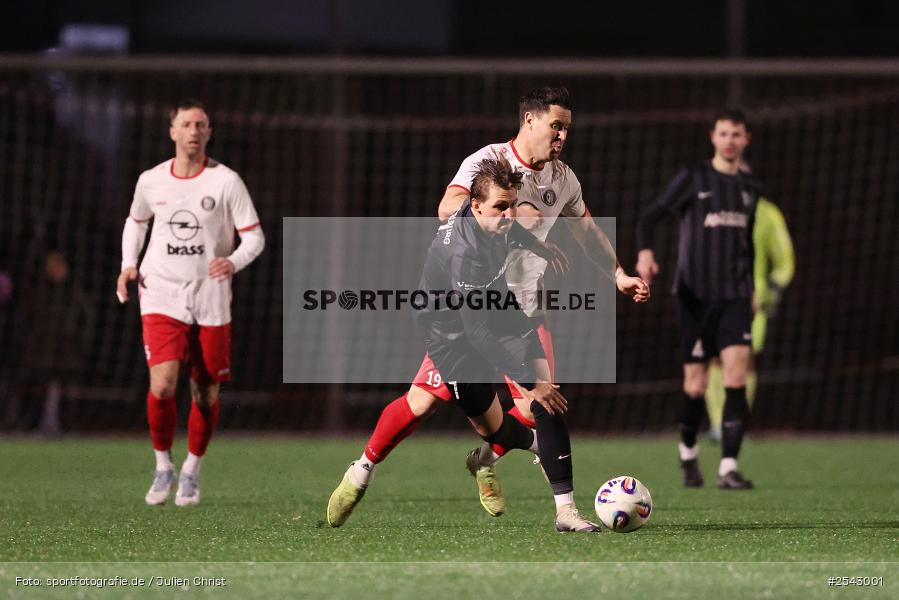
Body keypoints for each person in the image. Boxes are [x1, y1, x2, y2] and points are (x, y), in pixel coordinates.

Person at [327, 87, 649, 528]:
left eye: (567, 129)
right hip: (469, 308)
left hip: (526, 308)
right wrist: (508, 219)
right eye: (556, 126)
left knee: (541, 403)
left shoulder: (563, 179)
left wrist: (618, 275)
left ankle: (548, 501)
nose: (562, 137)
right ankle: (361, 470)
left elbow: (587, 231)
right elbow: (448, 208)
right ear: (530, 121)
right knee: (422, 402)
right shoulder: (488, 161)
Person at [117, 99, 265, 506]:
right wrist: (129, 264)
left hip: (211, 298)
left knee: (205, 393)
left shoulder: (226, 182)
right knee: (163, 384)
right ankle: (163, 464)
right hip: (161, 292)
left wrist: (232, 261)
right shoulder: (151, 181)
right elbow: (136, 222)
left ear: (209, 132)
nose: (194, 131)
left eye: (201, 124)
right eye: (187, 124)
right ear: (173, 132)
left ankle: (191, 470)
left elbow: (255, 237)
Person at [636, 108, 760, 490]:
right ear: (713, 137)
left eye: (736, 134)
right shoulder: (694, 178)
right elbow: (649, 217)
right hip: (694, 296)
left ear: (746, 140)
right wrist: (645, 253)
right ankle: (688, 455)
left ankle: (727, 467)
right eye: (723, 133)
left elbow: (747, 243)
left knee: (737, 375)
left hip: (735, 296)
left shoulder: (750, 187)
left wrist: (752, 287)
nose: (730, 140)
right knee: (695, 384)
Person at [705, 194, 795, 440]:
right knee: (714, 358)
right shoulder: (711, 210)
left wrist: (772, 291)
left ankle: (735, 423)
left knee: (743, 360)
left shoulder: (766, 213)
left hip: (751, 300)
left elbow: (785, 261)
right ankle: (717, 425)